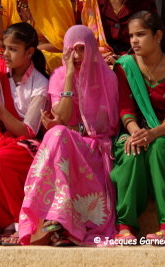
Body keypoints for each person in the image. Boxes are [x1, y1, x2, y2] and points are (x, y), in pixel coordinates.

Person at [18, 25, 118, 247]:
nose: (77, 56)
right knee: (57, 133)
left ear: (92, 48)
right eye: (71, 50)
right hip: (67, 144)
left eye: (82, 49)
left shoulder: (107, 78)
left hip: (95, 148)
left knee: (58, 134)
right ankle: (57, 217)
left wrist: (69, 128)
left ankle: (53, 217)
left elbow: (104, 126)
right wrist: (70, 76)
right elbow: (61, 117)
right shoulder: (59, 76)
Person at [110, 11, 165, 245]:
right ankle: (125, 227)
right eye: (131, 36)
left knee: (159, 149)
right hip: (134, 130)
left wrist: (152, 134)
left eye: (141, 34)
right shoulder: (124, 67)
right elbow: (125, 108)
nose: (134, 41)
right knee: (131, 152)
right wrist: (137, 132)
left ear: (158, 35)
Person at [0, 22, 49, 245]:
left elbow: (28, 130)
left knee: (1, 161)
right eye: (4, 48)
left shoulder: (40, 84)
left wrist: (0, 110)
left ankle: (21, 223)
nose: (6, 54)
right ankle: (5, 225)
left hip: (26, 143)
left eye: (13, 49)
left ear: (29, 52)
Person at [0, 0, 75, 73]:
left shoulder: (56, 3)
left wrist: (27, 51)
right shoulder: (7, 2)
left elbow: (64, 45)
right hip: (13, 53)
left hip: (44, 56)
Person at [75, 0, 157, 64]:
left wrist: (130, 60)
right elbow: (77, 40)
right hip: (96, 67)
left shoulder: (144, 3)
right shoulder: (87, 3)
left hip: (136, 64)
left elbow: (153, 41)